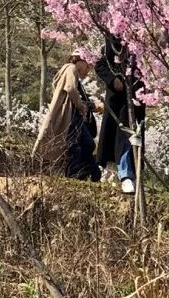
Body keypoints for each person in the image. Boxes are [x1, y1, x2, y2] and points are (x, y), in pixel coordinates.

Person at [33, 51, 101, 182]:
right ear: (81, 61)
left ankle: (85, 175)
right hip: (70, 116)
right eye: (87, 66)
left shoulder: (68, 71)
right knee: (80, 145)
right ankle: (77, 176)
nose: (88, 71)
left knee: (80, 144)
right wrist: (81, 105)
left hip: (70, 116)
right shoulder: (71, 68)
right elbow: (70, 88)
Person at [95, 35, 144, 194]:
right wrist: (113, 79)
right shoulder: (113, 40)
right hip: (120, 100)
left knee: (135, 137)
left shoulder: (145, 37)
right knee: (122, 136)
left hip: (137, 97)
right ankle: (125, 175)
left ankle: (133, 174)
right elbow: (101, 64)